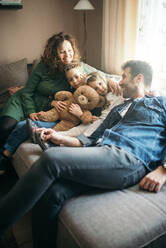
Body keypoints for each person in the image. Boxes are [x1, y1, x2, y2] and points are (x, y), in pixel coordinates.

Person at [1, 60, 166, 248]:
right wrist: (58, 137)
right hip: (103, 153)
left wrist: (162, 170)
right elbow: (89, 138)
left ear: (139, 78)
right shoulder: (119, 107)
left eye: (124, 77)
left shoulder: (161, 103)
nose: (119, 82)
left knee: (51, 159)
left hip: (130, 157)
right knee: (52, 193)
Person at [0, 31, 98, 148]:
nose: (67, 55)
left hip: (46, 110)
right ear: (54, 54)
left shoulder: (76, 67)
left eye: (70, 50)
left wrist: (110, 80)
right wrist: (31, 111)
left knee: (23, 129)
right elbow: (27, 92)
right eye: (62, 52)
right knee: (5, 127)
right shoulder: (42, 67)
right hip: (23, 102)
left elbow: (95, 75)